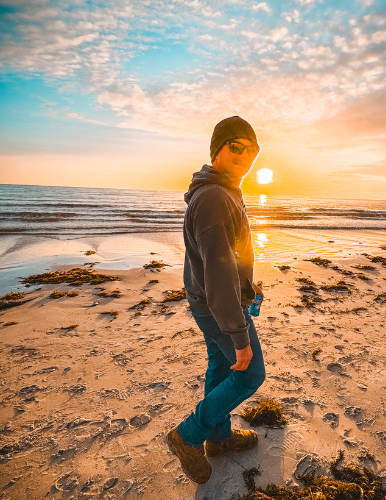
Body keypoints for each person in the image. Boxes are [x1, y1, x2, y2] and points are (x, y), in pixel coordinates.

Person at [166, 116, 266, 484]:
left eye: (251, 148)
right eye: (235, 146)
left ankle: (219, 439)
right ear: (218, 150)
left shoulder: (222, 191)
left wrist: (248, 287)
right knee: (249, 373)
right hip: (217, 307)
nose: (245, 154)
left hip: (209, 302)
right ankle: (188, 435)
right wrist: (239, 334)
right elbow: (219, 272)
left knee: (222, 368)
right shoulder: (213, 197)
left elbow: (219, 257)